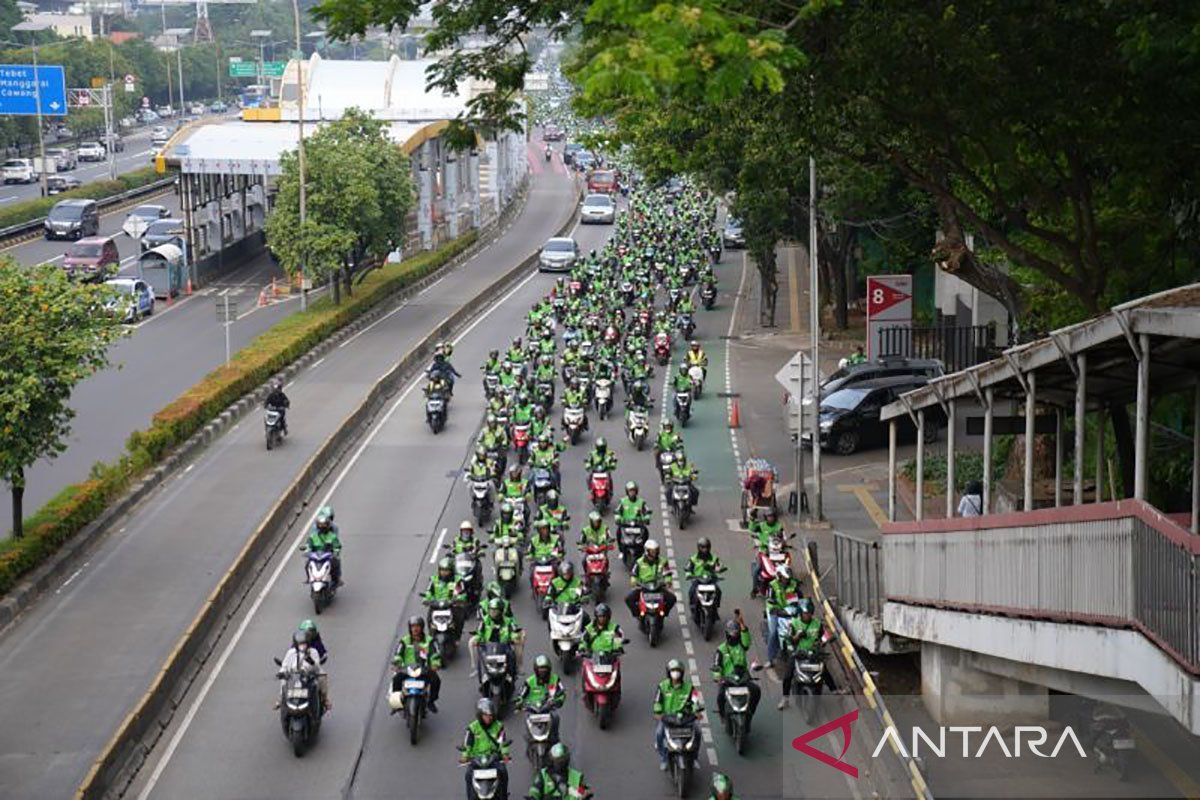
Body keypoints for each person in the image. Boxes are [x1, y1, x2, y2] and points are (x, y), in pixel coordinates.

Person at [779, 598, 832, 708]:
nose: (807, 615)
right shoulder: (794, 623)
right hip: (799, 653)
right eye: (804, 613)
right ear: (800, 613)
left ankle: (835, 690)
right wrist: (797, 636)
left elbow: (823, 635)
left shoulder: (817, 623)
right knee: (788, 675)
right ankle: (785, 698)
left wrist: (825, 639)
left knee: (824, 671)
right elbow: (790, 639)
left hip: (814, 653)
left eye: (808, 613)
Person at [652, 659, 703, 770]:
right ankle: (664, 758)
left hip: (685, 718)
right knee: (659, 734)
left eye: (678, 671)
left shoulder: (689, 687)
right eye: (673, 670)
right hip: (668, 718)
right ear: (668, 672)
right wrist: (658, 713)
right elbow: (657, 702)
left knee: (698, 732)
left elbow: (695, 700)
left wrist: (697, 711)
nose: (675, 673)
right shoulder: (662, 686)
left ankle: (694, 758)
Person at [711, 615, 761, 725]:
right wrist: (718, 677)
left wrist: (742, 625)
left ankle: (750, 712)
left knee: (756, 690)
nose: (734, 634)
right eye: (732, 632)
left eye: (736, 632)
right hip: (727, 679)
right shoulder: (721, 649)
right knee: (720, 696)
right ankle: (723, 715)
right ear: (727, 633)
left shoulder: (741, 645)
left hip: (743, 676)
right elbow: (716, 665)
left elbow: (747, 641)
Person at [460, 698, 511, 799]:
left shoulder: (498, 726)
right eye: (486, 716)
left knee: (503, 773)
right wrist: (465, 756)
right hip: (476, 759)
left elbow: (503, 742)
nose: (489, 718)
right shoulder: (472, 727)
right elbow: (467, 744)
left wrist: (505, 755)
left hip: (494, 758)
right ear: (480, 715)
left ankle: (503, 796)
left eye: (491, 715)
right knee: (468, 775)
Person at [392, 616, 441, 713]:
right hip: (407, 669)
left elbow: (435, 654)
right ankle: (397, 704)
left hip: (424, 669)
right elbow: (398, 654)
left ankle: (431, 702)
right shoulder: (404, 641)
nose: (415, 628)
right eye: (413, 626)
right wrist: (397, 664)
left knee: (436, 680)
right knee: (396, 679)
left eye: (417, 626)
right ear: (409, 628)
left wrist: (435, 664)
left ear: (422, 627)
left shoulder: (430, 640)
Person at [275, 629, 330, 712]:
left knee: (323, 676)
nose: (302, 646)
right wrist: (281, 672)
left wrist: (311, 662)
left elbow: (317, 668)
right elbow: (285, 665)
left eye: (304, 644)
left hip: (308, 678)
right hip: (293, 677)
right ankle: (281, 698)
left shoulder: (313, 652)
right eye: (300, 644)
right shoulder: (291, 653)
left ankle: (324, 699)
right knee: (283, 681)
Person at [471, 597, 522, 679]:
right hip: (488, 646)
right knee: (480, 654)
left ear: (501, 611)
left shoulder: (508, 621)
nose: (492, 612)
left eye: (495, 610)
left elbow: (513, 631)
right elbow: (480, 631)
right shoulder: (485, 620)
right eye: (491, 610)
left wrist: (514, 637)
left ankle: (516, 670)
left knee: (512, 655)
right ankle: (477, 669)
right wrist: (478, 638)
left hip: (504, 645)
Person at [626, 539, 676, 619]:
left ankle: (663, 614)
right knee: (628, 599)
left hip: (658, 586)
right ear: (647, 551)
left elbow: (668, 573)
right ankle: (638, 615)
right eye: (652, 551)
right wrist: (634, 582)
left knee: (672, 599)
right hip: (643, 587)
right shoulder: (639, 562)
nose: (655, 553)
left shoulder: (663, 561)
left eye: (656, 551)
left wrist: (668, 581)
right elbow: (633, 574)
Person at [765, 564, 804, 663]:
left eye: (788, 578)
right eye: (785, 578)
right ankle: (770, 658)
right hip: (776, 611)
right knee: (773, 633)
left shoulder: (793, 584)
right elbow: (770, 601)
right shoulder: (772, 585)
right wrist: (776, 610)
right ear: (779, 576)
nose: (787, 580)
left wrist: (803, 607)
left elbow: (801, 598)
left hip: (791, 611)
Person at [303, 506, 342, 587]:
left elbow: (336, 543)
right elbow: (309, 542)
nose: (323, 527)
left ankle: (336, 579)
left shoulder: (333, 532)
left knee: (336, 563)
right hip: (317, 553)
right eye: (321, 525)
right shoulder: (314, 534)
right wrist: (307, 550)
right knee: (307, 564)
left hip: (328, 552)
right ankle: (309, 578)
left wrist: (335, 551)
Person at [684, 537, 726, 612]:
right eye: (703, 547)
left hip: (710, 579)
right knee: (691, 591)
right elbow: (688, 568)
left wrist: (719, 570)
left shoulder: (714, 558)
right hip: (697, 580)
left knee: (718, 591)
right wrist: (689, 575)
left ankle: (716, 607)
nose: (705, 550)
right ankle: (692, 607)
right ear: (699, 548)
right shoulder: (693, 558)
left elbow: (719, 566)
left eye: (707, 547)